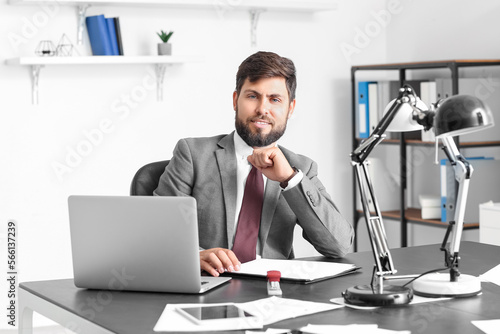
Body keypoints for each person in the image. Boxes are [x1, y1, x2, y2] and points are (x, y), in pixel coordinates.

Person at [154, 51, 353, 277]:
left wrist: (290, 179)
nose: (262, 109)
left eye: (275, 99)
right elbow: (157, 233)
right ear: (235, 100)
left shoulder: (301, 168)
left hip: (274, 292)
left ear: (291, 108)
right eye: (252, 96)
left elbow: (339, 246)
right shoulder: (193, 154)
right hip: (210, 283)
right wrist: (193, 255)